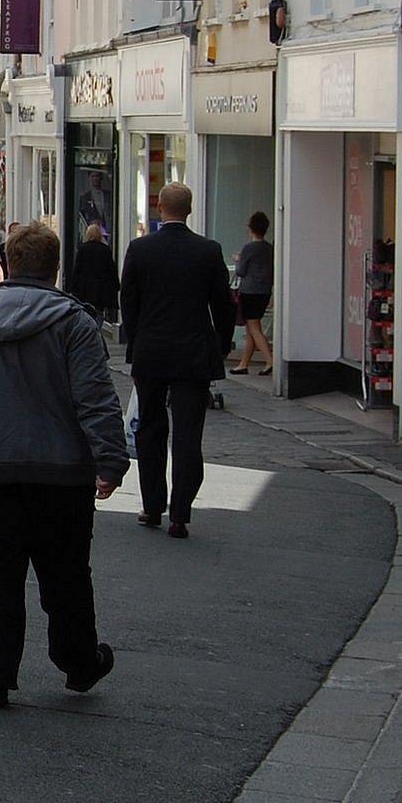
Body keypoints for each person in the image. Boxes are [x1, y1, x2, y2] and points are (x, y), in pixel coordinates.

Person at [0, 222, 127, 708]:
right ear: (55, 267)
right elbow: (96, 398)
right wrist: (110, 459)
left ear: (8, 262)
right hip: (59, 471)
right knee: (66, 572)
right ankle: (78, 663)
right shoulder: (74, 321)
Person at [119, 183, 235, 539]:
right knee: (188, 435)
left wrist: (135, 346)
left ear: (159, 207)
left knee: (151, 431)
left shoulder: (140, 249)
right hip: (193, 354)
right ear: (190, 209)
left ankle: (153, 505)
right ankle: (181, 513)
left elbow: (129, 302)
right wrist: (222, 345)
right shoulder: (208, 251)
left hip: (152, 353)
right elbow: (223, 305)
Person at [231, 212, 275, 375]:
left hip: (249, 291)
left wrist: (238, 260)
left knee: (254, 327)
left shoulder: (249, 248)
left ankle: (270, 360)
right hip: (264, 291)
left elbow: (241, 271)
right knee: (252, 327)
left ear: (251, 228)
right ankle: (243, 363)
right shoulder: (269, 248)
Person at [66, 223, 119, 324]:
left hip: (85, 289)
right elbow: (111, 271)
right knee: (99, 312)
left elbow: (77, 270)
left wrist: (73, 289)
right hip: (100, 290)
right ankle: (96, 330)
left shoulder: (83, 249)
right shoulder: (105, 250)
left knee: (85, 311)